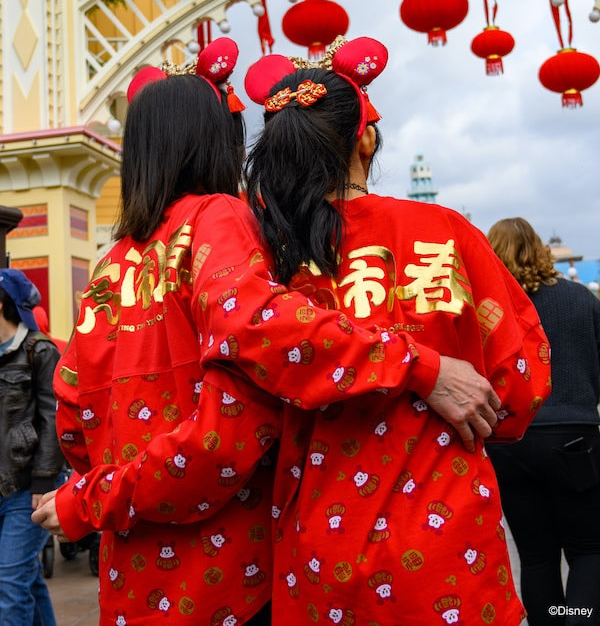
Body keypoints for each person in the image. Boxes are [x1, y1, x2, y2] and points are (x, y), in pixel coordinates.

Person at [33, 38, 501, 626]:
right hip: (223, 575)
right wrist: (420, 366)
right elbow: (236, 411)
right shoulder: (217, 218)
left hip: (131, 576)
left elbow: (73, 411)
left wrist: (96, 495)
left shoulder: (110, 264)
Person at [243, 35, 551, 625]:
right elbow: (519, 383)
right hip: (448, 544)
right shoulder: (443, 230)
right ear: (365, 136)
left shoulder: (266, 257)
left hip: (321, 549)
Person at [486, 217, 600, 626]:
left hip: (509, 442)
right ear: (541, 249)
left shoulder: (489, 310)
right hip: (574, 438)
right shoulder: (580, 299)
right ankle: (580, 618)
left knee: (536, 556)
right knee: (588, 550)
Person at [0, 267, 64, 625]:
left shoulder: (38, 351)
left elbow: (53, 420)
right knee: (26, 580)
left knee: (9, 587)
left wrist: (44, 481)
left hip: (25, 489)